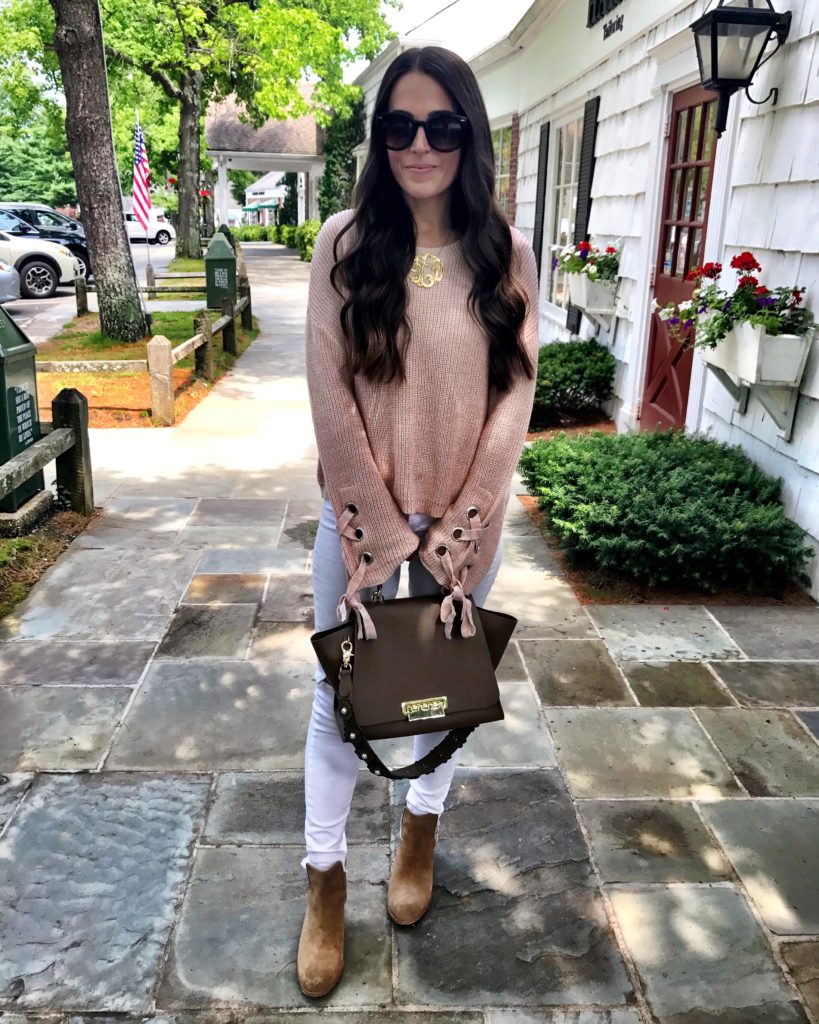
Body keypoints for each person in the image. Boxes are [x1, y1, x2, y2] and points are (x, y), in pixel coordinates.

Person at [299, 44, 539, 998]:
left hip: (463, 531)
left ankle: (419, 830)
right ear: (380, 138)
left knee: (439, 689)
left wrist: (462, 526)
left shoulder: (504, 251)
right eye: (399, 125)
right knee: (337, 698)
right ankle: (323, 880)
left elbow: (511, 401)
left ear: (468, 134)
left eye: (441, 125)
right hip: (358, 525)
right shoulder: (344, 244)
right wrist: (380, 531)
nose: (419, 144)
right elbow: (327, 388)